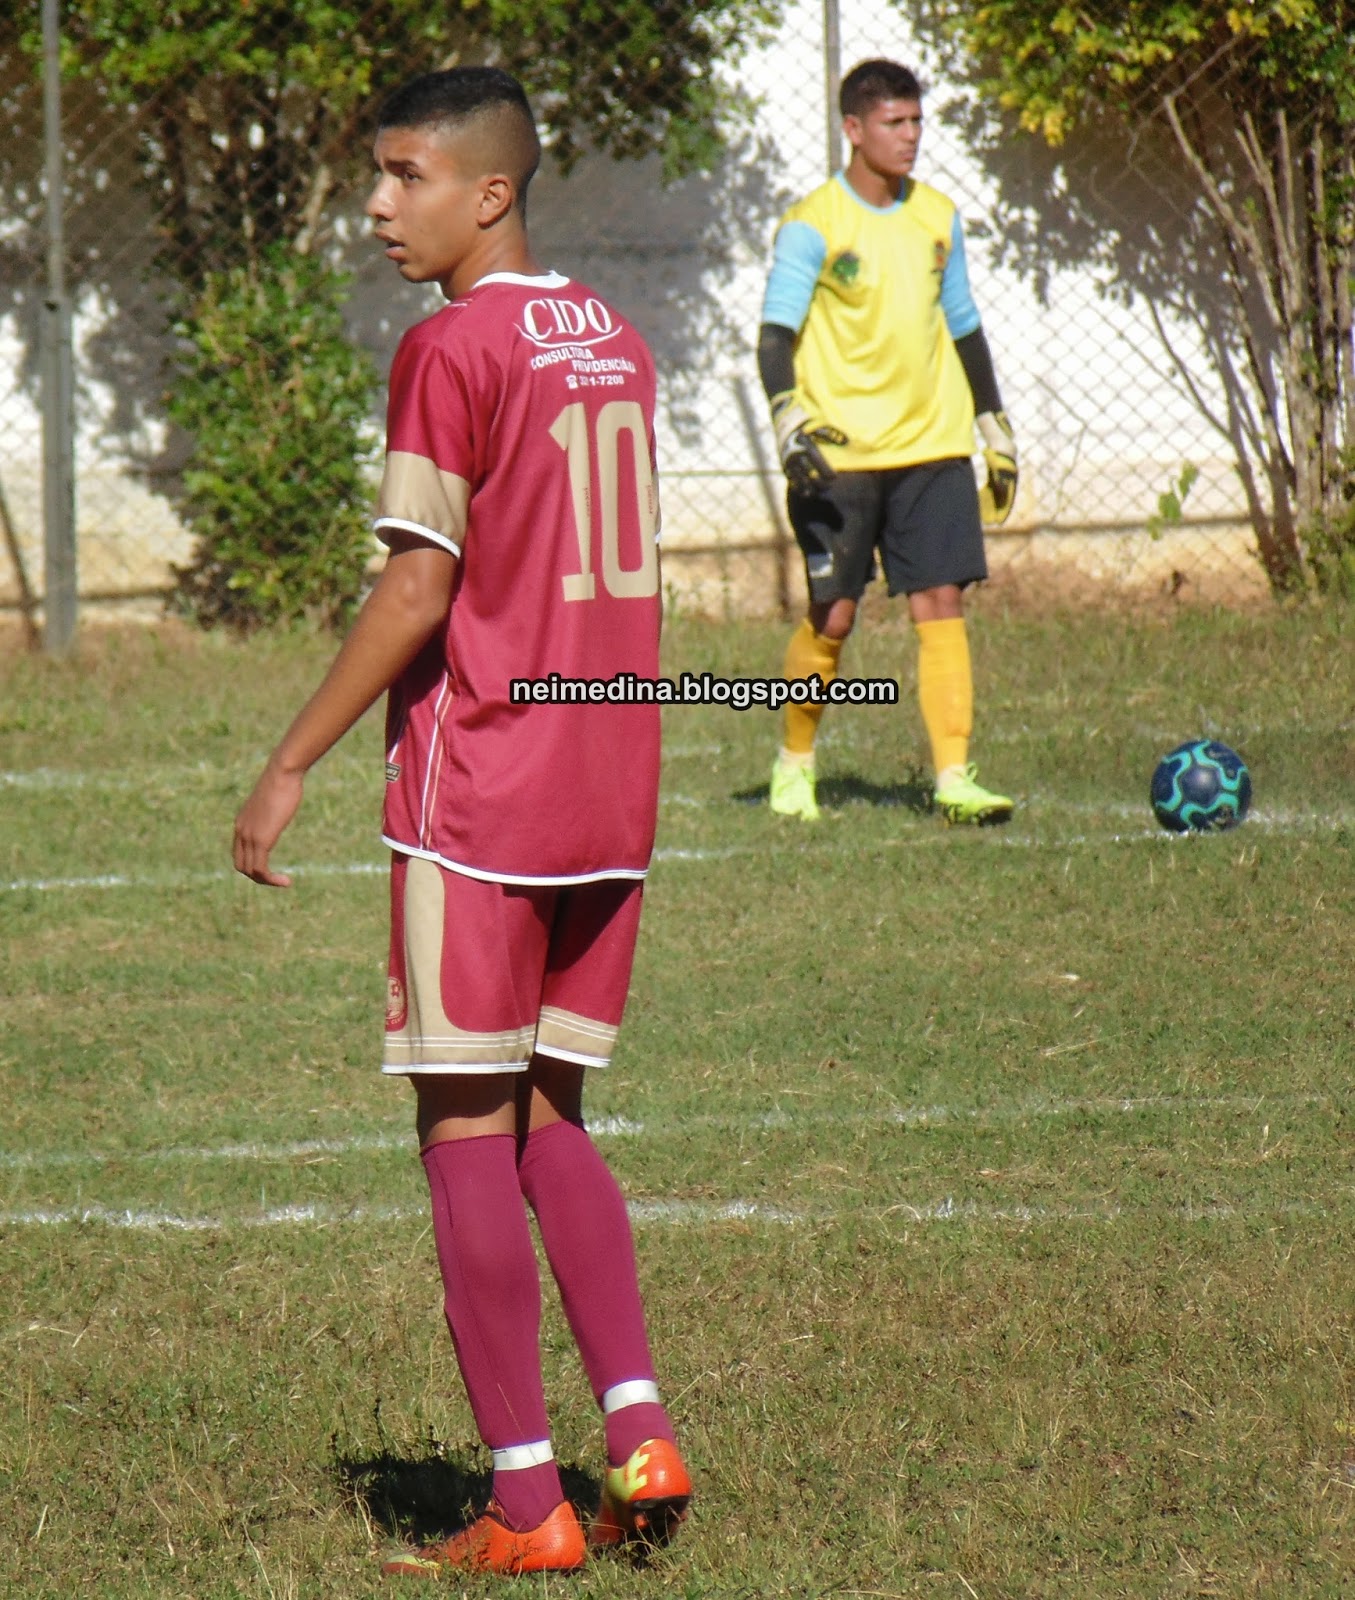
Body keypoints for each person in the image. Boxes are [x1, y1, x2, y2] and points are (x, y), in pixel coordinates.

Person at [232, 66, 690, 1578]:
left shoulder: (448, 347)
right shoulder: (612, 335)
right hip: (610, 786)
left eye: (405, 174)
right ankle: (637, 1433)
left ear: (490, 192)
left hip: (484, 791)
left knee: (462, 1134)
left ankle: (523, 1504)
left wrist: (291, 758)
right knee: (553, 1115)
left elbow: (419, 587)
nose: (378, 205)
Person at [758, 57, 1018, 825]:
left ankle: (953, 777)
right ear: (853, 128)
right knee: (834, 615)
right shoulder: (811, 225)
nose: (909, 137)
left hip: (931, 443)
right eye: (892, 123)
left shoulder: (937, 216)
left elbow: (963, 324)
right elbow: (774, 337)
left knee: (940, 601)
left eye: (915, 122)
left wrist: (991, 423)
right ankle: (794, 764)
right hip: (839, 454)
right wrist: (786, 419)